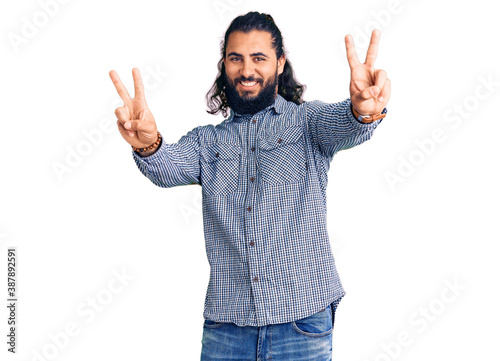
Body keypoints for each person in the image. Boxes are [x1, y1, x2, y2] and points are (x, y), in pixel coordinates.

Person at [109, 11, 390, 361]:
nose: (246, 70)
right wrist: (147, 142)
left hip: (302, 323)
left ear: (280, 62)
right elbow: (166, 168)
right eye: (236, 58)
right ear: (224, 65)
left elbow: (347, 125)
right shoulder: (207, 142)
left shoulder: (308, 123)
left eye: (259, 58)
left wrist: (363, 111)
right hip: (227, 327)